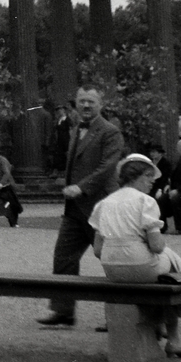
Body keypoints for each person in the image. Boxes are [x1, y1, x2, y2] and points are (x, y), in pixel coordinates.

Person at [90, 155, 181, 358]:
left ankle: (160, 328)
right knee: (172, 261)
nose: (151, 183)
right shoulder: (145, 201)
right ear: (140, 176)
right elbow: (156, 246)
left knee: (164, 267)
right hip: (140, 265)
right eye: (149, 179)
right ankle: (174, 339)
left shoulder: (104, 203)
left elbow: (97, 250)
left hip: (111, 268)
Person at [40, 84, 126, 327]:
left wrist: (81, 187)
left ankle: (119, 318)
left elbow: (107, 167)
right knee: (64, 257)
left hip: (102, 207)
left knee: (113, 262)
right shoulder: (75, 128)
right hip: (75, 210)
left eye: (91, 101)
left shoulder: (110, 132)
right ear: (76, 103)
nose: (86, 105)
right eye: (82, 101)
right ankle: (63, 311)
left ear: (101, 105)